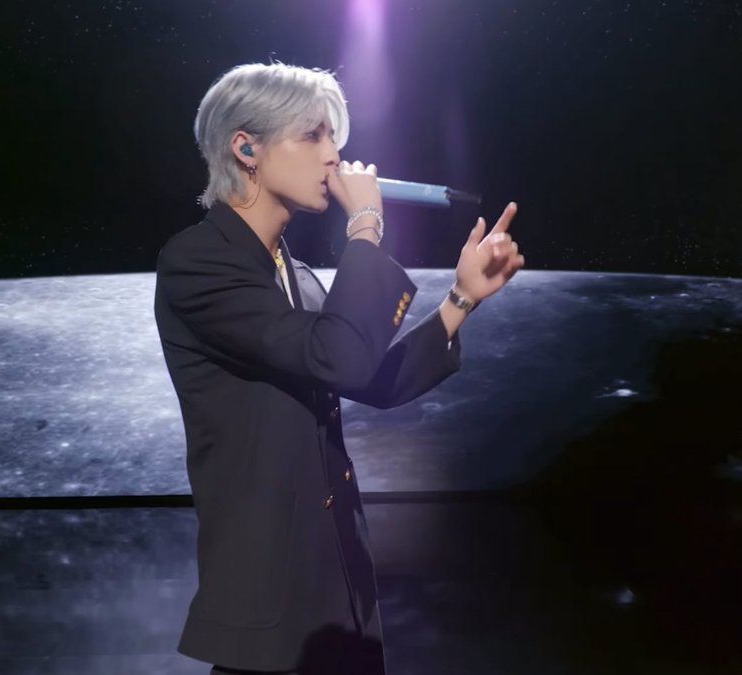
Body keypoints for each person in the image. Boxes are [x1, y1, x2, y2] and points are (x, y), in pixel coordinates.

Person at [153, 63, 525, 674]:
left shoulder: (296, 276)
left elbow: (368, 378)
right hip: (271, 612)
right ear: (246, 148)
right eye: (312, 135)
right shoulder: (198, 262)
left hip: (339, 597)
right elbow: (340, 355)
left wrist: (461, 299)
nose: (334, 156)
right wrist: (365, 225)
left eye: (334, 138)